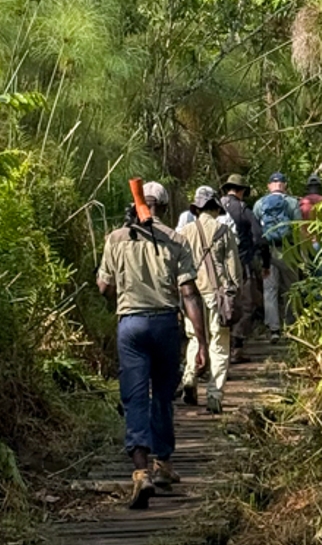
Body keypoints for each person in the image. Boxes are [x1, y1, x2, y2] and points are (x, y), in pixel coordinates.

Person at [97, 181, 210, 509]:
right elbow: (189, 293)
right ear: (162, 205)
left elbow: (103, 285)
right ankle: (164, 465)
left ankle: (141, 473)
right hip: (164, 324)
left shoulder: (117, 238)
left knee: (135, 398)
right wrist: (200, 341)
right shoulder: (176, 240)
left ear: (137, 204)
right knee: (162, 395)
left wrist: (121, 289)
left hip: (130, 325)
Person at [178, 186, 240, 413]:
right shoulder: (224, 231)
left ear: (197, 209)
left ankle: (190, 378)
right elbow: (234, 270)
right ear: (215, 208)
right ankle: (214, 395)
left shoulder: (184, 232)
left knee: (195, 338)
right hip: (218, 294)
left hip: (190, 295)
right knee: (219, 345)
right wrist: (234, 294)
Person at [219, 174, 264, 363]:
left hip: (216, 267)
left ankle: (221, 348)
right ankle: (236, 348)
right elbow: (258, 236)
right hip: (240, 263)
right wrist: (260, 258)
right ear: (242, 190)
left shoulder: (216, 205)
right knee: (244, 305)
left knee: (221, 304)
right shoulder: (243, 209)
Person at [253, 171, 301, 342]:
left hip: (268, 252)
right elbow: (298, 227)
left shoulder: (259, 204)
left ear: (269, 186)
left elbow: (257, 232)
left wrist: (260, 256)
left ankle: (274, 329)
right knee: (291, 288)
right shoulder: (292, 202)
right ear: (285, 185)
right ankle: (291, 326)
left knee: (270, 290)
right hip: (289, 251)